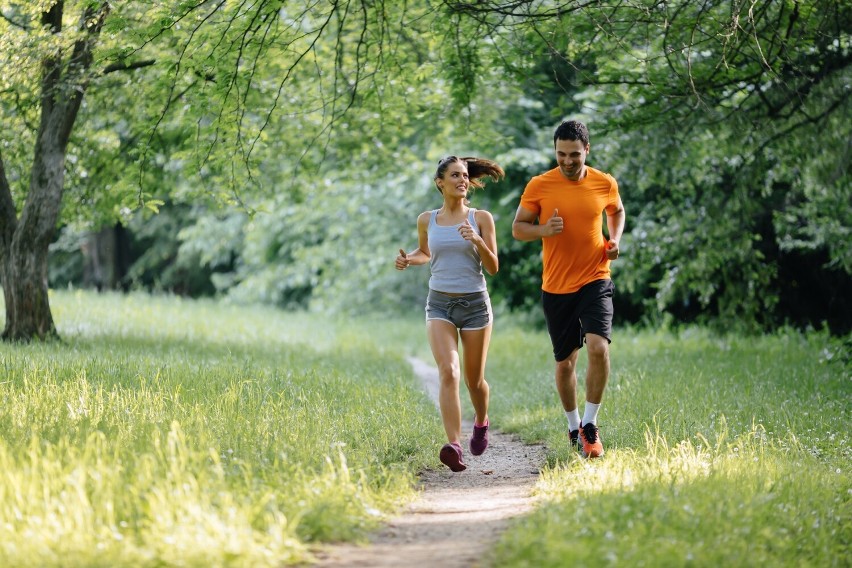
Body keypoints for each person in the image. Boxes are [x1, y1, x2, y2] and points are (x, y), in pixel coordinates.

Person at [512, 120, 626, 458]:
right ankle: (573, 425)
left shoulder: (604, 182)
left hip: (595, 277)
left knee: (598, 348)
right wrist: (544, 229)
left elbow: (616, 211)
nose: (567, 161)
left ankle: (591, 425)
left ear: (586, 150)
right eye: (560, 154)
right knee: (565, 364)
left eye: (574, 154)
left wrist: (614, 240)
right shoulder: (540, 185)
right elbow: (519, 228)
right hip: (557, 285)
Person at [395, 156, 504, 472]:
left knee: (474, 381)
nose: (463, 180)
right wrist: (409, 260)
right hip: (439, 304)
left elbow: (494, 267)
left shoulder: (480, 217)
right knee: (449, 372)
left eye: (466, 175)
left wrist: (477, 239)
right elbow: (425, 253)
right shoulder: (426, 219)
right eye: (455, 175)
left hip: (475, 307)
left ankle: (482, 420)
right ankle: (454, 445)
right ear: (440, 182)